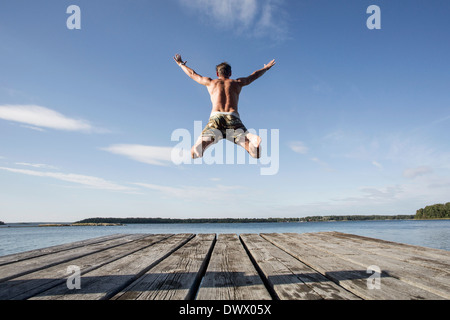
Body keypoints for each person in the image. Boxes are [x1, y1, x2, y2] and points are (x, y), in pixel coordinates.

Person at [173, 54, 276, 159]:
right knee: (256, 154)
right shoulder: (237, 83)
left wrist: (181, 64)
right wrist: (265, 68)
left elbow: (192, 74)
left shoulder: (211, 82)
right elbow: (254, 75)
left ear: (217, 73)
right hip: (233, 117)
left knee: (195, 152)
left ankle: (201, 145)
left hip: (216, 117)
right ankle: (251, 139)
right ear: (230, 73)